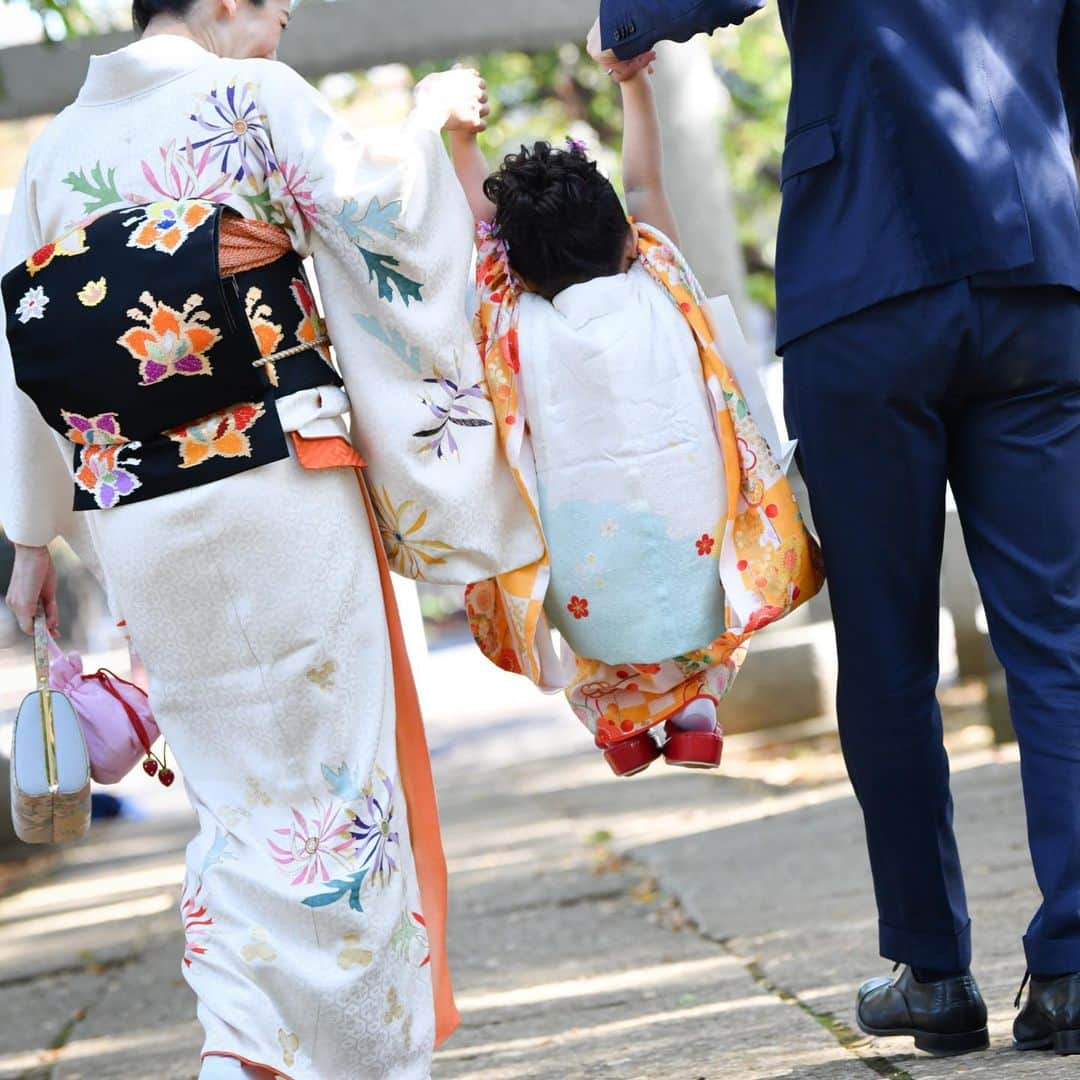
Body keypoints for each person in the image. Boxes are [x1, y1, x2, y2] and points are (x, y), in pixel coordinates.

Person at [0, 1, 544, 1076]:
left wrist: (29, 545)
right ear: (220, 2)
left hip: (138, 517)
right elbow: (385, 218)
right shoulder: (247, 99)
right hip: (279, 484)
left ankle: (242, 1047)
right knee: (340, 797)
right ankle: (363, 1060)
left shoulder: (49, 157)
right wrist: (434, 130)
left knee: (235, 800)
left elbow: (24, 357)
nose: (287, 12)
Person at [591, 0, 1080, 1057]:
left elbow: (646, 11)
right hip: (1037, 273)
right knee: (1059, 637)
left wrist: (624, 31)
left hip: (867, 284)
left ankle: (933, 972)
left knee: (889, 648)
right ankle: (1076, 966)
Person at [449, 61, 822, 776]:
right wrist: (634, 85)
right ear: (626, 236)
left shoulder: (513, 319)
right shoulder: (659, 278)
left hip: (589, 563)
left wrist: (461, 140)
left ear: (514, 269)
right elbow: (646, 184)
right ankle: (697, 713)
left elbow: (479, 223)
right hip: (698, 539)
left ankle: (619, 727)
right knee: (702, 608)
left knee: (600, 621)